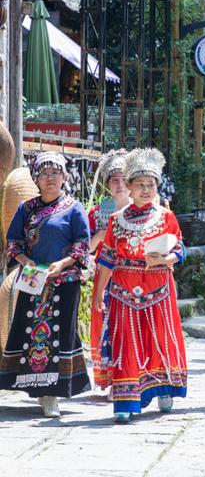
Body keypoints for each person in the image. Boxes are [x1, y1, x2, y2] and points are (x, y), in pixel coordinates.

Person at [93, 148, 187, 424]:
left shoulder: (166, 217)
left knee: (158, 340)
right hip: (123, 289)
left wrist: (164, 258)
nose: (146, 190)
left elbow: (179, 250)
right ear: (129, 188)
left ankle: (163, 387)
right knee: (125, 344)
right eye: (140, 185)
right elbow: (107, 258)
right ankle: (125, 400)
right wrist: (99, 292)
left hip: (158, 286)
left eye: (151, 185)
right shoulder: (115, 221)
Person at [0, 152, 91, 417]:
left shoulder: (74, 208)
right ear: (36, 180)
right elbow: (13, 241)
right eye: (44, 174)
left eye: (55, 173)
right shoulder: (26, 208)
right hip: (33, 279)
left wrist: (61, 265)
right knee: (30, 332)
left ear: (64, 177)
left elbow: (82, 245)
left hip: (65, 281)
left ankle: (54, 394)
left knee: (60, 334)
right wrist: (25, 260)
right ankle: (38, 389)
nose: (50, 178)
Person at [89, 149, 130, 397]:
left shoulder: (141, 210)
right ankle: (114, 378)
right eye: (114, 179)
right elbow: (86, 247)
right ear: (107, 185)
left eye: (124, 178)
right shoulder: (98, 213)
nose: (119, 184)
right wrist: (101, 236)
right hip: (106, 274)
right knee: (108, 326)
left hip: (132, 275)